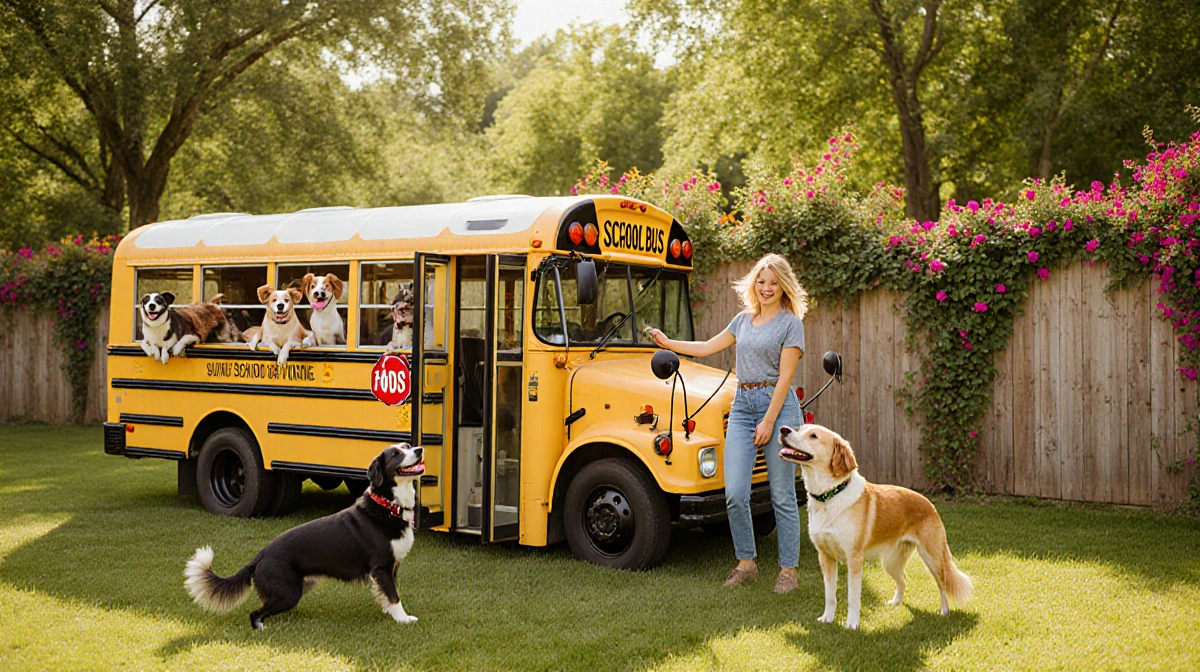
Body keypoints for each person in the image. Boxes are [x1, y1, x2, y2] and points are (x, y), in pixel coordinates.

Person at [648, 253, 807, 593]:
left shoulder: (791, 324)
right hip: (742, 406)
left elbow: (785, 378)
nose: (767, 288)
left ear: (783, 286)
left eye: (774, 282)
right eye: (761, 281)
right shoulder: (743, 321)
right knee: (735, 493)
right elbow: (706, 347)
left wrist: (768, 422)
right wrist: (668, 342)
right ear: (754, 284)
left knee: (781, 495)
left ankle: (788, 571)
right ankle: (746, 564)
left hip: (778, 411)